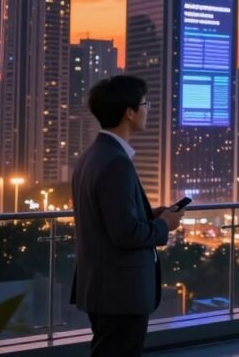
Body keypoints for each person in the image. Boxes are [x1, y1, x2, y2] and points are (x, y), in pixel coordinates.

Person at [71, 75, 184, 357]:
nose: (148, 110)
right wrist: (163, 225)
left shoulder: (92, 155)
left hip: (101, 285)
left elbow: (108, 218)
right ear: (129, 113)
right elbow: (125, 233)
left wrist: (150, 214)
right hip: (120, 291)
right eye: (145, 104)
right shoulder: (115, 163)